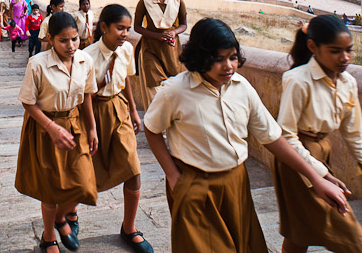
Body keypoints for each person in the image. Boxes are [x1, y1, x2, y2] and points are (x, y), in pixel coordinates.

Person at [143, 18, 349, 253]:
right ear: (199, 57)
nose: (228, 66)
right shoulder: (175, 91)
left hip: (236, 184)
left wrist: (316, 177)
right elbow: (152, 129)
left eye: (232, 57)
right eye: (218, 59)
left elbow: (272, 138)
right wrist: (172, 175)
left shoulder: (242, 87)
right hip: (194, 185)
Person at [275, 15, 362, 253]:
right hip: (296, 162)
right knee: (351, 235)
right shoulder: (298, 81)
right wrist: (322, 175)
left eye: (349, 50)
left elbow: (356, 137)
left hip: (321, 154)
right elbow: (286, 136)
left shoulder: (348, 83)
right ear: (312, 47)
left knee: (300, 233)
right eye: (335, 51)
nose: (345, 58)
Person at [15, 12, 99, 253]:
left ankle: (61, 218)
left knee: (85, 185)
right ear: (50, 39)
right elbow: (28, 102)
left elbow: (86, 96)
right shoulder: (38, 64)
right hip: (45, 127)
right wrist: (51, 128)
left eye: (74, 39)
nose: (71, 46)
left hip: (74, 124)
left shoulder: (85, 60)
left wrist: (92, 128)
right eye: (63, 41)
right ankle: (50, 236)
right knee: (51, 186)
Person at [83, 4, 153, 253]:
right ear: (104, 28)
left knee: (133, 169)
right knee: (83, 170)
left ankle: (129, 227)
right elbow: (86, 95)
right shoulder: (87, 56)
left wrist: (134, 111)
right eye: (119, 28)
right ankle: (67, 215)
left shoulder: (127, 51)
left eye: (126, 29)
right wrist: (91, 129)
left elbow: (125, 81)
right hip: (95, 113)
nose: (124, 33)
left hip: (119, 110)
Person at [133, 0, 187, 110]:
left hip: (171, 49)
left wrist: (174, 32)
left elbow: (184, 24)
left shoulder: (177, 1)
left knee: (175, 82)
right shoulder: (145, 1)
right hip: (150, 48)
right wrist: (157, 36)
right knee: (154, 85)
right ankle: (158, 123)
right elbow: (137, 27)